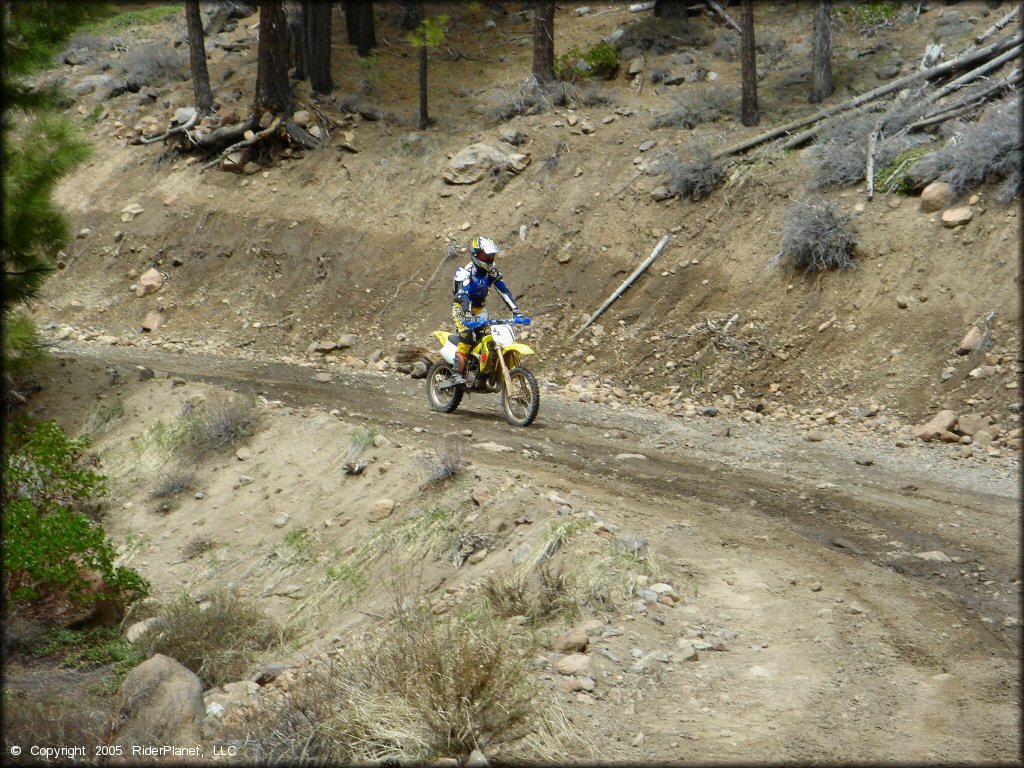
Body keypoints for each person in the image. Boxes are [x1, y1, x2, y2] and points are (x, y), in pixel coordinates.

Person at [450, 235, 520, 384]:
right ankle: (456, 373)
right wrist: (467, 314)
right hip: (461, 308)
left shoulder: (491, 272)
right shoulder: (464, 272)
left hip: (479, 308)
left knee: (486, 339)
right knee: (467, 336)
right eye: (484, 256)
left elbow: (503, 289)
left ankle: (479, 370)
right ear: (475, 254)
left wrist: (515, 310)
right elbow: (463, 295)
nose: (488, 259)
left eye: (491, 256)